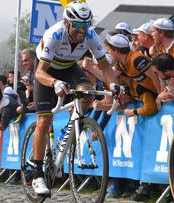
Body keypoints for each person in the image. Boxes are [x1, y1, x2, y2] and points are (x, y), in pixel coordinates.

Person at [31, 2, 112, 195]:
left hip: (68, 67)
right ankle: (36, 175)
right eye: (77, 25)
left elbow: (106, 68)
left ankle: (71, 126)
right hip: (47, 71)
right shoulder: (54, 34)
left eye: (86, 25)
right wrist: (54, 83)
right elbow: (39, 73)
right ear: (67, 23)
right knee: (44, 120)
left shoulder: (90, 34)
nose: (82, 30)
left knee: (87, 93)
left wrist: (114, 86)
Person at [104, 33, 159, 117]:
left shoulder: (137, 59)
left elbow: (155, 77)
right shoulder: (122, 63)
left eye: (109, 49)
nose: (108, 52)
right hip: (146, 91)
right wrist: (92, 69)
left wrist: (160, 96)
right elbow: (108, 76)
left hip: (156, 91)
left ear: (115, 50)